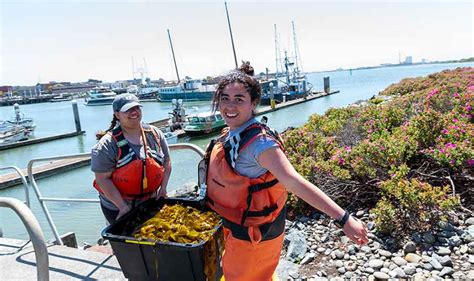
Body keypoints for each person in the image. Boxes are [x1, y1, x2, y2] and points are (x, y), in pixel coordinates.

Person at [205, 62, 368, 281]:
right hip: (237, 227)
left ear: (253, 103)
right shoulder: (232, 133)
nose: (229, 106)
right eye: (225, 98)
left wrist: (343, 218)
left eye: (239, 99)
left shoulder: (260, 144)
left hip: (254, 236)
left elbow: (294, 182)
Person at [91, 93, 172, 224]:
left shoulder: (154, 134)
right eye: (128, 110)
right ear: (117, 115)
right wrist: (122, 206)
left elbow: (167, 161)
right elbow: (102, 179)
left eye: (136, 108)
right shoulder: (106, 145)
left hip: (149, 201)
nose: (134, 112)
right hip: (117, 207)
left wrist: (163, 189)